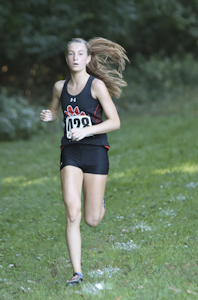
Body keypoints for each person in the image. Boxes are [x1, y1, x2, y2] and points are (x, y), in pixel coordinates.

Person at [40, 37, 129, 285]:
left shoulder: (96, 86)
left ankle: (98, 199)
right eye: (71, 54)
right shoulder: (59, 87)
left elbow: (115, 121)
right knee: (71, 211)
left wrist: (87, 130)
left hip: (96, 151)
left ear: (88, 59)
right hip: (70, 151)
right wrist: (50, 115)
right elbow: (56, 111)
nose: (76, 58)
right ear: (66, 58)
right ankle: (77, 272)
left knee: (92, 220)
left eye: (80, 53)